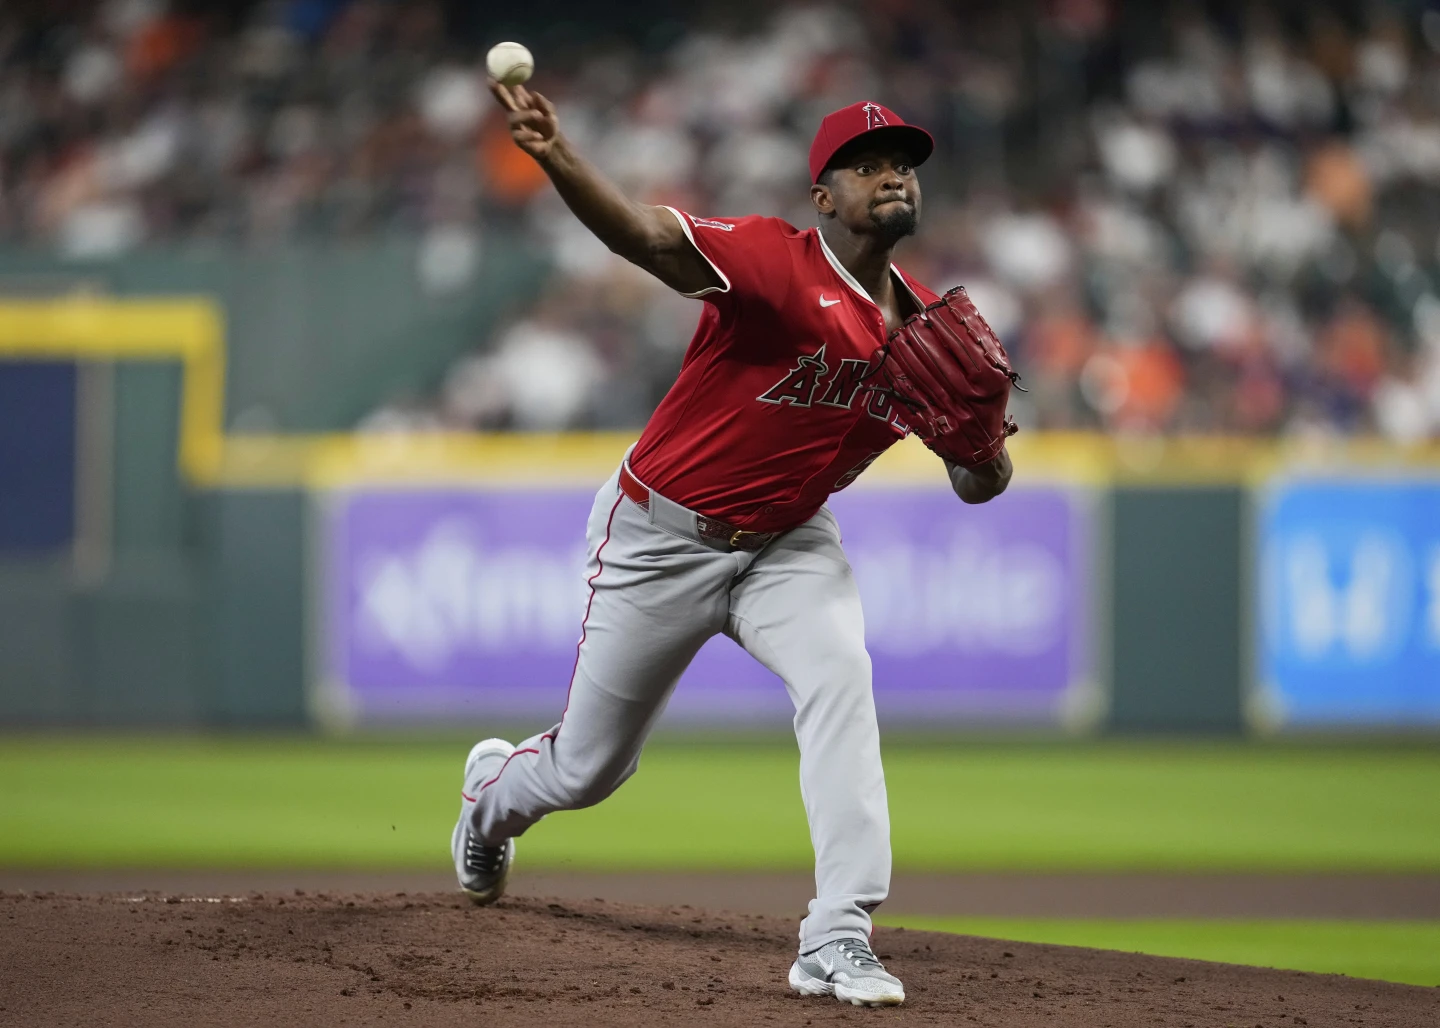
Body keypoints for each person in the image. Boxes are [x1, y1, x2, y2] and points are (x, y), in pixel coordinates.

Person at [451, 83, 1013, 1008]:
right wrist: (558, 157)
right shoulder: (772, 261)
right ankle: (489, 799)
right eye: (866, 166)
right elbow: (647, 238)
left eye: (903, 165)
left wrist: (981, 439)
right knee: (588, 770)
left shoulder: (927, 332)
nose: (892, 176)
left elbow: (977, 483)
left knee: (841, 676)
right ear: (823, 198)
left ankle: (838, 933)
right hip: (660, 536)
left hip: (790, 544)